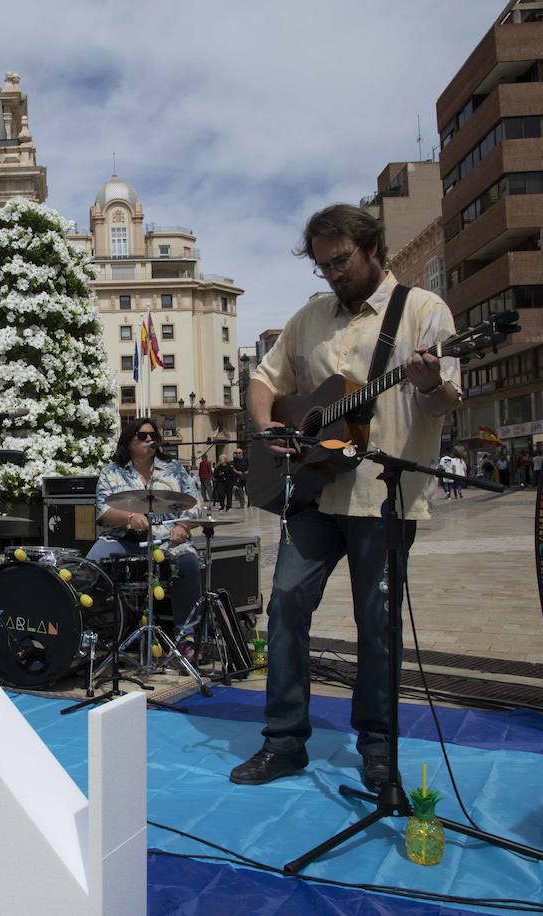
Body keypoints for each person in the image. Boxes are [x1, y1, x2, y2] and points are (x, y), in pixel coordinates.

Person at [230, 203, 460, 790]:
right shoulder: (310, 318)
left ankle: (378, 750)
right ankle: (283, 741)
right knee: (283, 605)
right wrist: (267, 428)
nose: (332, 274)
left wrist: (429, 380)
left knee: (377, 626)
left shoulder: (425, 311)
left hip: (384, 499)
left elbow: (444, 400)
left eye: (341, 261)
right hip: (313, 491)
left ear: (371, 247)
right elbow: (265, 379)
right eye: (322, 266)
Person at [88, 416, 203, 634]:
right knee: (91, 566)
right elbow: (103, 511)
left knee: (188, 562)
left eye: (153, 435)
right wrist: (129, 518)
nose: (149, 439)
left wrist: (183, 526)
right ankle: (98, 631)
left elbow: (195, 503)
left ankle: (187, 636)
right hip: (124, 539)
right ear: (129, 441)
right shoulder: (112, 471)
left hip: (167, 538)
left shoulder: (173, 468)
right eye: (142, 436)